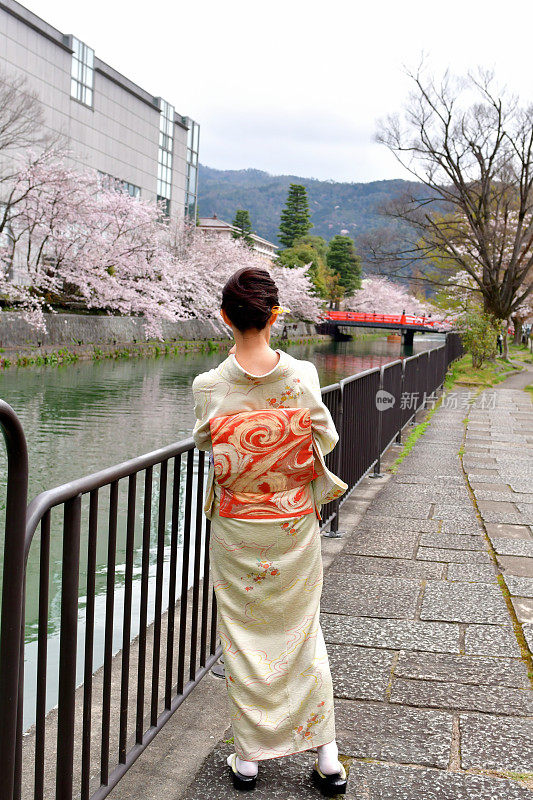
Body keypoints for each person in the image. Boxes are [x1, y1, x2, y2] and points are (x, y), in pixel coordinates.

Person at [191, 267, 348, 795]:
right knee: (302, 629)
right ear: (275, 315)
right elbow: (325, 438)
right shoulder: (301, 375)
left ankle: (250, 758)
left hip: (237, 527)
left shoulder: (209, 385)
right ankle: (326, 755)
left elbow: (204, 442)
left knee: (243, 637)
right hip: (293, 522)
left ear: (224, 318)